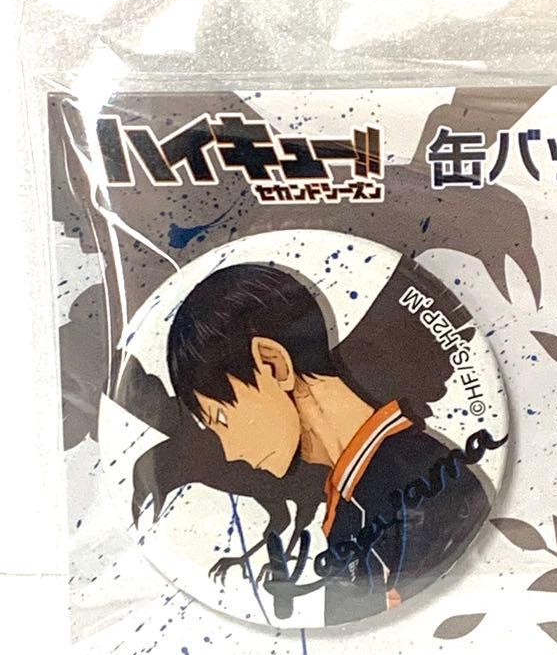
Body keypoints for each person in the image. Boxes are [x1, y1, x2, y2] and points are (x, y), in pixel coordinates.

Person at [166, 263, 500, 624]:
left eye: (220, 418)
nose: (230, 452)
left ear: (272, 364)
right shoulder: (351, 496)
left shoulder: (415, 479)